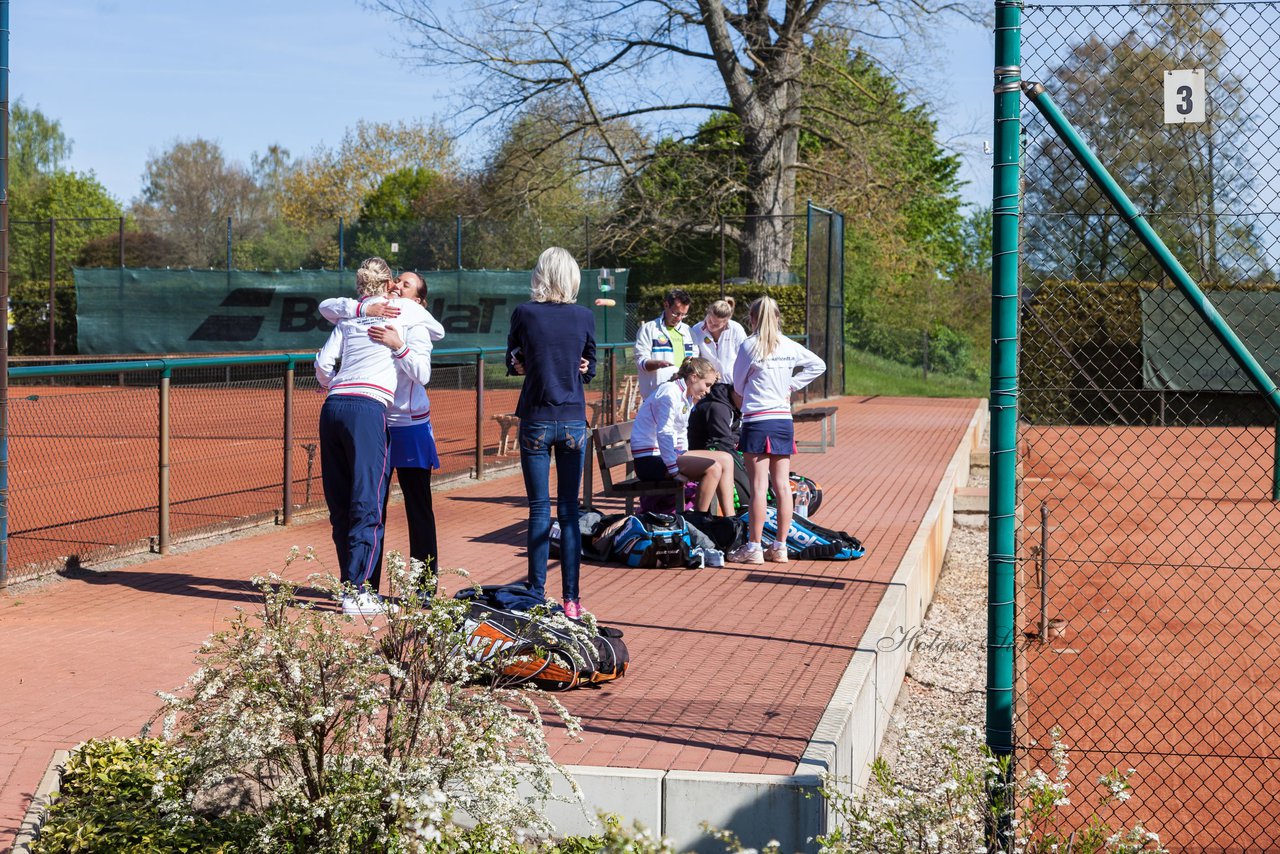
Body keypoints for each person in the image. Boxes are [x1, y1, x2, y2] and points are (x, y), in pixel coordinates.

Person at [315, 257, 429, 615]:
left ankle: (350, 584)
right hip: (368, 409)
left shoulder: (348, 316)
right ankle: (358, 592)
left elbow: (322, 362)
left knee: (341, 503)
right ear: (387, 285)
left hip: (333, 408)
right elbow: (436, 333)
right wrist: (398, 336)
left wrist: (333, 385)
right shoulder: (404, 313)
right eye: (395, 283)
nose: (399, 289)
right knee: (368, 500)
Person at [506, 247, 597, 619]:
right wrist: (581, 366)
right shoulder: (584, 316)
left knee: (539, 510)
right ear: (571, 278)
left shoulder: (524, 313)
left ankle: (536, 593)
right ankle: (572, 600)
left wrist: (524, 362)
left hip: (537, 418)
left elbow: (513, 362)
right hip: (573, 418)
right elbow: (589, 367)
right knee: (569, 512)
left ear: (541, 275)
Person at [727, 296, 826, 565]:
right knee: (782, 485)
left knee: (759, 486)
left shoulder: (749, 346)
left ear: (752, 318)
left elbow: (737, 386)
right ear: (778, 317)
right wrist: (790, 385)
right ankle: (780, 546)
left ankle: (754, 547)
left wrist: (781, 386)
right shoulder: (789, 345)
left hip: (757, 419)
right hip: (782, 419)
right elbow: (819, 365)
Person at [630, 357, 737, 515]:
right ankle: (699, 521)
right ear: (693, 377)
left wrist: (684, 452)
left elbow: (680, 430)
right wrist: (674, 471)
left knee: (726, 458)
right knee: (712, 468)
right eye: (706, 385)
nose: (708, 391)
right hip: (649, 460)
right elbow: (664, 433)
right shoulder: (669, 393)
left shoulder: (685, 395)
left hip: (665, 454)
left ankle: (730, 518)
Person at [688, 297, 748, 451]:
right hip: (708, 384)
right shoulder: (696, 329)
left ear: (726, 321)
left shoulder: (736, 329)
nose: (710, 325)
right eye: (709, 320)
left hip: (732, 387)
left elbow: (744, 356)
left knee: (731, 421)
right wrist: (708, 374)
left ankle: (731, 451)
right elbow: (694, 357)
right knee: (709, 419)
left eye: (716, 324)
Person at [634, 288, 694, 400]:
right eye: (676, 313)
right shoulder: (648, 329)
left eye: (683, 315)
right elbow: (640, 361)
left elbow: (695, 361)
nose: (679, 318)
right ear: (666, 305)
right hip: (656, 396)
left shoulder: (689, 332)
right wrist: (658, 364)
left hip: (684, 395)